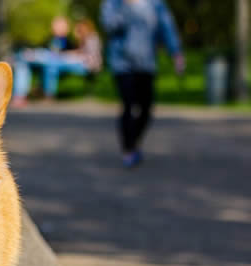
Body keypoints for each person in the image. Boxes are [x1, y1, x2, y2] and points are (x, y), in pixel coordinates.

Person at [101, 0, 185, 168]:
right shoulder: (114, 3)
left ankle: (134, 140)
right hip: (122, 63)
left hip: (147, 63)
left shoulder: (156, 4)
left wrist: (176, 53)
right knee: (128, 104)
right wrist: (127, 7)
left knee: (146, 108)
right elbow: (109, 26)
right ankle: (128, 149)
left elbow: (166, 27)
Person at [12, 18, 102, 105]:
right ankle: (25, 95)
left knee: (51, 65)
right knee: (26, 62)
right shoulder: (51, 39)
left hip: (87, 66)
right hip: (61, 61)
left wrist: (67, 55)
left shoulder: (90, 38)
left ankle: (46, 94)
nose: (75, 32)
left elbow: (86, 56)